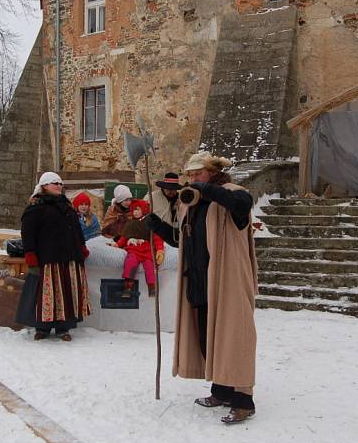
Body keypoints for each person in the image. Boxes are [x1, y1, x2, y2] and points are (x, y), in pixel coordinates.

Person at [146, 150, 258, 425]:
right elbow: (179, 240)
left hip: (227, 279)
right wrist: (155, 226)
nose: (193, 178)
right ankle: (221, 390)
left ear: (212, 172)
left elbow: (243, 204)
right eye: (191, 174)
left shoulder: (232, 193)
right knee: (208, 336)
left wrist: (206, 190)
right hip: (199, 279)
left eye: (198, 173)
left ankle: (243, 401)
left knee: (234, 337)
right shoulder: (191, 203)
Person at [15, 172, 91, 342]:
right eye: (54, 183)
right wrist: (30, 253)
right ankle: (42, 327)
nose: (59, 185)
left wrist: (82, 246)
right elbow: (28, 233)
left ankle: (63, 328)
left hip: (69, 257)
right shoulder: (36, 207)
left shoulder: (67, 205)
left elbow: (76, 229)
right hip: (48, 259)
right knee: (46, 294)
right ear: (44, 186)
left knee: (66, 293)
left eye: (60, 183)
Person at [110, 199, 164, 298]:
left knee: (149, 265)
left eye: (137, 209)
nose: (135, 212)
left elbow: (157, 238)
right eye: (133, 210)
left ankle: (152, 287)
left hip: (147, 249)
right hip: (134, 249)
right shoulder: (130, 224)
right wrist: (118, 244)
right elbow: (124, 237)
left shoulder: (150, 222)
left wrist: (160, 249)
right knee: (130, 262)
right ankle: (128, 287)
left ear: (143, 209)